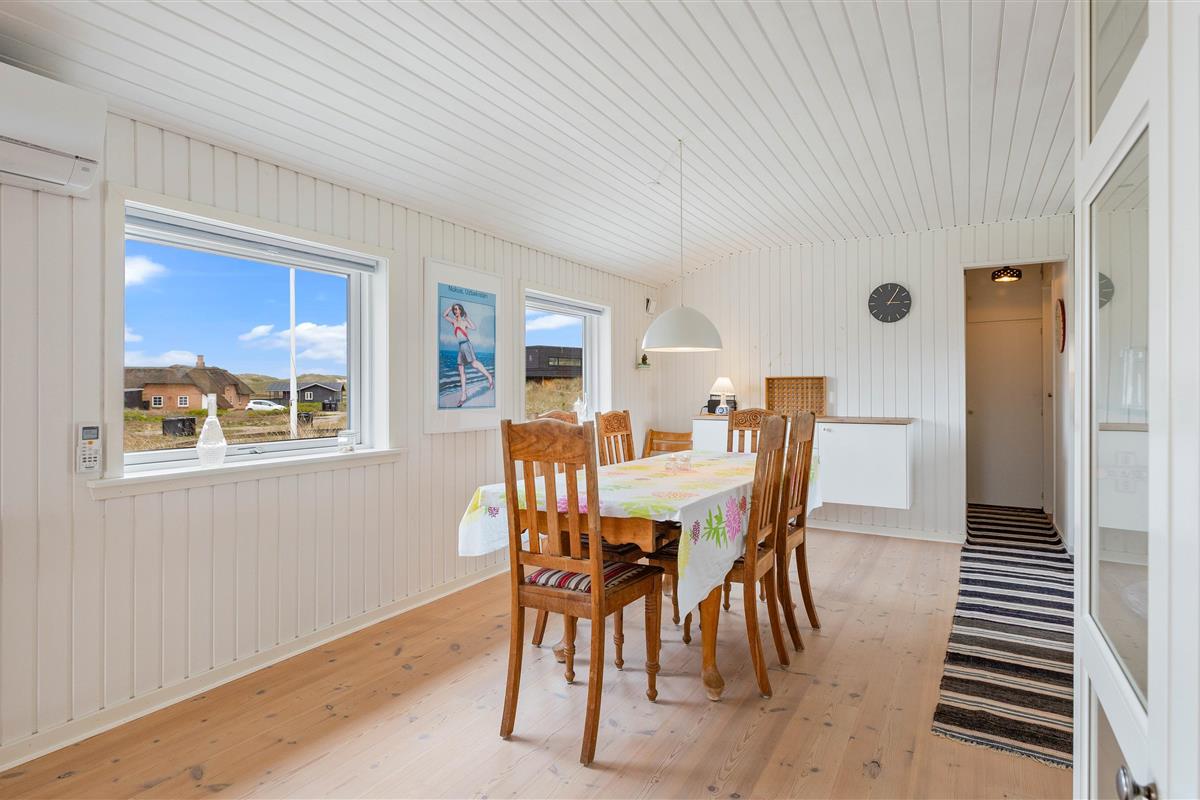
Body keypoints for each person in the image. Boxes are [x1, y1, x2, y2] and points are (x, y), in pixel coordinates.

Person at [443, 302, 494, 406]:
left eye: (458, 309)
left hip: (466, 345)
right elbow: (444, 315)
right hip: (460, 346)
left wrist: (467, 318)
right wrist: (451, 307)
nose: (456, 311)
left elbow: (474, 327)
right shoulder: (454, 322)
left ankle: (489, 376)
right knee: (461, 369)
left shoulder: (464, 322)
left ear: (461, 310)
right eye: (455, 309)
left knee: (474, 364)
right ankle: (464, 394)